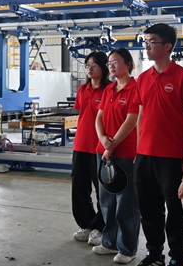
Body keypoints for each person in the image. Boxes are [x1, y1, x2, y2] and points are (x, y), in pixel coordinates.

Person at [134, 24, 183, 266]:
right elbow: (141, 116)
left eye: (152, 42)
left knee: (175, 210)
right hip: (145, 155)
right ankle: (154, 254)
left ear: (167, 46)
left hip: (173, 157)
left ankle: (177, 257)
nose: (147, 46)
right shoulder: (142, 79)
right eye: (145, 42)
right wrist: (138, 150)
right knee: (149, 209)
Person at [93, 48, 141, 264]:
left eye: (116, 62)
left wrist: (111, 146)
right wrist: (103, 138)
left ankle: (127, 248)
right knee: (106, 200)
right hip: (104, 152)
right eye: (109, 63)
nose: (111, 66)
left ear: (128, 64)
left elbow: (132, 121)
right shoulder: (109, 89)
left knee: (126, 203)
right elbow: (99, 117)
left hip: (125, 153)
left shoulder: (135, 88)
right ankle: (109, 241)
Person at [72, 52, 110, 245]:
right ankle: (86, 224)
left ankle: (100, 228)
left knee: (102, 191)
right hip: (80, 145)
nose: (89, 68)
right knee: (79, 188)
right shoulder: (82, 89)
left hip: (99, 148)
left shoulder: (109, 90)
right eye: (87, 65)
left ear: (103, 68)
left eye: (94, 65)